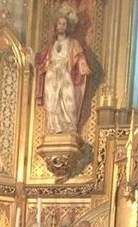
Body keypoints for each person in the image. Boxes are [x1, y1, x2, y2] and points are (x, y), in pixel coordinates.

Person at [35, 3, 91, 134]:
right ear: (56, 26)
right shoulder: (51, 46)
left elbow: (80, 57)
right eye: (59, 23)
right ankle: (54, 127)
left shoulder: (72, 43)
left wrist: (83, 66)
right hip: (52, 75)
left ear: (68, 26)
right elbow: (41, 60)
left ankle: (69, 126)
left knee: (68, 99)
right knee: (52, 101)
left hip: (65, 75)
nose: (61, 26)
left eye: (64, 24)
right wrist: (31, 55)